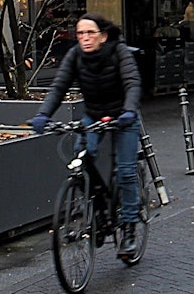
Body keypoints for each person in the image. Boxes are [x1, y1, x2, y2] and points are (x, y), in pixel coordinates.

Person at [31, 13, 144, 257]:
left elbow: (132, 83)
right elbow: (59, 86)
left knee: (125, 172)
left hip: (123, 115)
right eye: (80, 33)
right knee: (82, 158)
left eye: (90, 33)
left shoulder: (119, 52)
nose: (84, 38)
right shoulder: (75, 56)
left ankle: (129, 230)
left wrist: (129, 111)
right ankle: (97, 210)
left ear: (103, 36)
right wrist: (43, 115)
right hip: (93, 115)